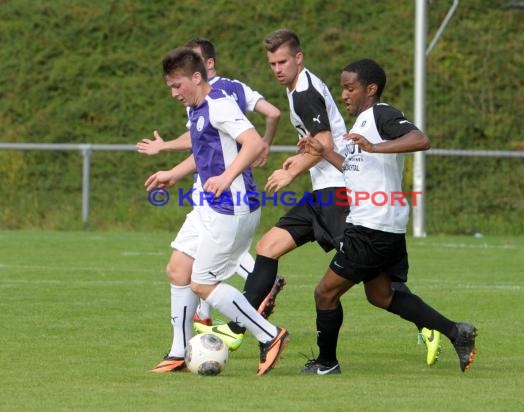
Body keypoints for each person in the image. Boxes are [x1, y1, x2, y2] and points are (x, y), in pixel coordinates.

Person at [198, 29, 442, 367]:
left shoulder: (305, 93)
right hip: (325, 191)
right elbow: (317, 142)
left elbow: (325, 142)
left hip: (338, 194)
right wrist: (295, 160)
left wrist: (290, 172)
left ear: (299, 58)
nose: (277, 68)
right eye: (272, 63)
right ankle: (241, 325)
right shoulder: (300, 87)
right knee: (268, 247)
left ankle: (426, 324)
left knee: (372, 283)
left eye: (283, 61)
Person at [297, 58, 477, 374]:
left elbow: (420, 140)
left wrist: (375, 148)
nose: (344, 94)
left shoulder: (381, 114)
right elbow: (354, 169)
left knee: (324, 293)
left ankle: (326, 364)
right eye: (342, 88)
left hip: (371, 227)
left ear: (371, 89)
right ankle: (455, 332)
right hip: (382, 228)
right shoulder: (362, 125)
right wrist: (323, 151)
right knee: (381, 296)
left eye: (350, 88)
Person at [146, 47, 288, 375]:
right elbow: (202, 150)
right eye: (170, 86)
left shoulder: (220, 104)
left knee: (203, 284)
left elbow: (252, 143)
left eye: (177, 85)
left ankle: (269, 334)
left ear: (197, 77)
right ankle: (179, 352)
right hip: (209, 206)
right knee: (178, 269)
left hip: (231, 207)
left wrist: (226, 176)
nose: (173, 92)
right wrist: (173, 173)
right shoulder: (197, 109)